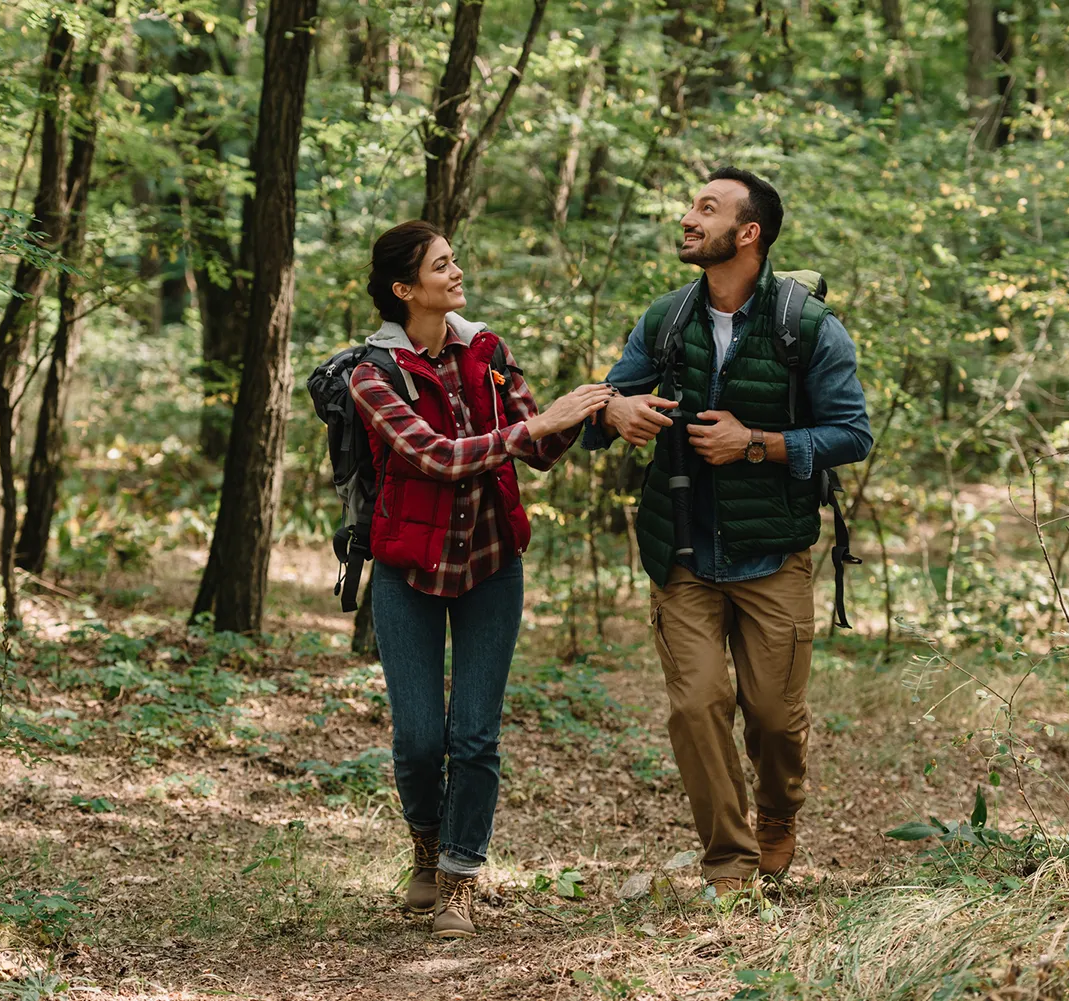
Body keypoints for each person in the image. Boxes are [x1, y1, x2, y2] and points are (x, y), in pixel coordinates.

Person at [583, 168, 872, 899]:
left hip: (772, 551)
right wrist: (614, 412)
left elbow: (851, 432)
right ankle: (729, 861)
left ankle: (778, 812)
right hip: (680, 550)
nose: (687, 218)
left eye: (705, 209)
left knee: (775, 718)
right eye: (689, 205)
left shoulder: (806, 326)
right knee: (695, 702)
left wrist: (757, 443)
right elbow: (605, 399)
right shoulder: (667, 319)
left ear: (749, 233)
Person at [351, 220, 614, 938]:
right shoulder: (372, 374)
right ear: (405, 288)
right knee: (417, 739)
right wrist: (532, 430)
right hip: (407, 568)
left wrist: (599, 407)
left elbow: (539, 443)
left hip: (492, 563)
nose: (457, 272)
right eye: (441, 265)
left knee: (475, 734)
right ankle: (427, 850)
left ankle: (460, 878)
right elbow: (434, 455)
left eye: (455, 259)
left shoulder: (487, 351)